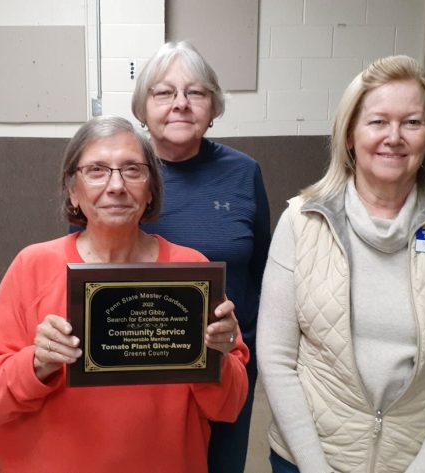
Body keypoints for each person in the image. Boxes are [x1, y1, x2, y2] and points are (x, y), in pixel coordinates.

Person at [257, 55, 425, 473]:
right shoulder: (301, 221)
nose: (394, 137)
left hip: (421, 461)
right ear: (350, 136)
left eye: (412, 122)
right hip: (309, 460)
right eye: (377, 122)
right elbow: (276, 359)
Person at [0, 116, 249, 472]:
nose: (116, 185)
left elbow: (230, 405)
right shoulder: (33, 265)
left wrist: (217, 356)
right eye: (96, 170)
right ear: (72, 189)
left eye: (132, 170)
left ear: (151, 189)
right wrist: (37, 363)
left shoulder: (191, 271)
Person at [132, 41, 271, 473]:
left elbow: (262, 270)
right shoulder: (122, 171)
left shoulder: (243, 172)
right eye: (164, 92)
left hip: (225, 359)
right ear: (142, 107)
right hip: (140, 359)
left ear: (213, 107)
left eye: (195, 92)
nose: (180, 103)